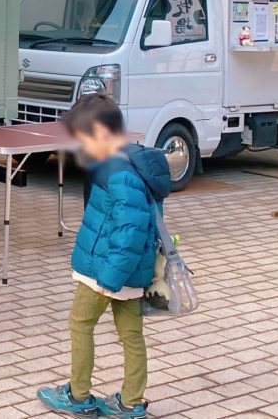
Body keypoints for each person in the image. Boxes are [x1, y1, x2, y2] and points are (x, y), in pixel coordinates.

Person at [37, 94, 170, 418]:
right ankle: (131, 402)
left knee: (80, 322)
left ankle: (79, 395)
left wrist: (108, 279)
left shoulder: (119, 172)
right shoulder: (128, 162)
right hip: (127, 271)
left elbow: (130, 231)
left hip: (106, 270)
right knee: (131, 335)